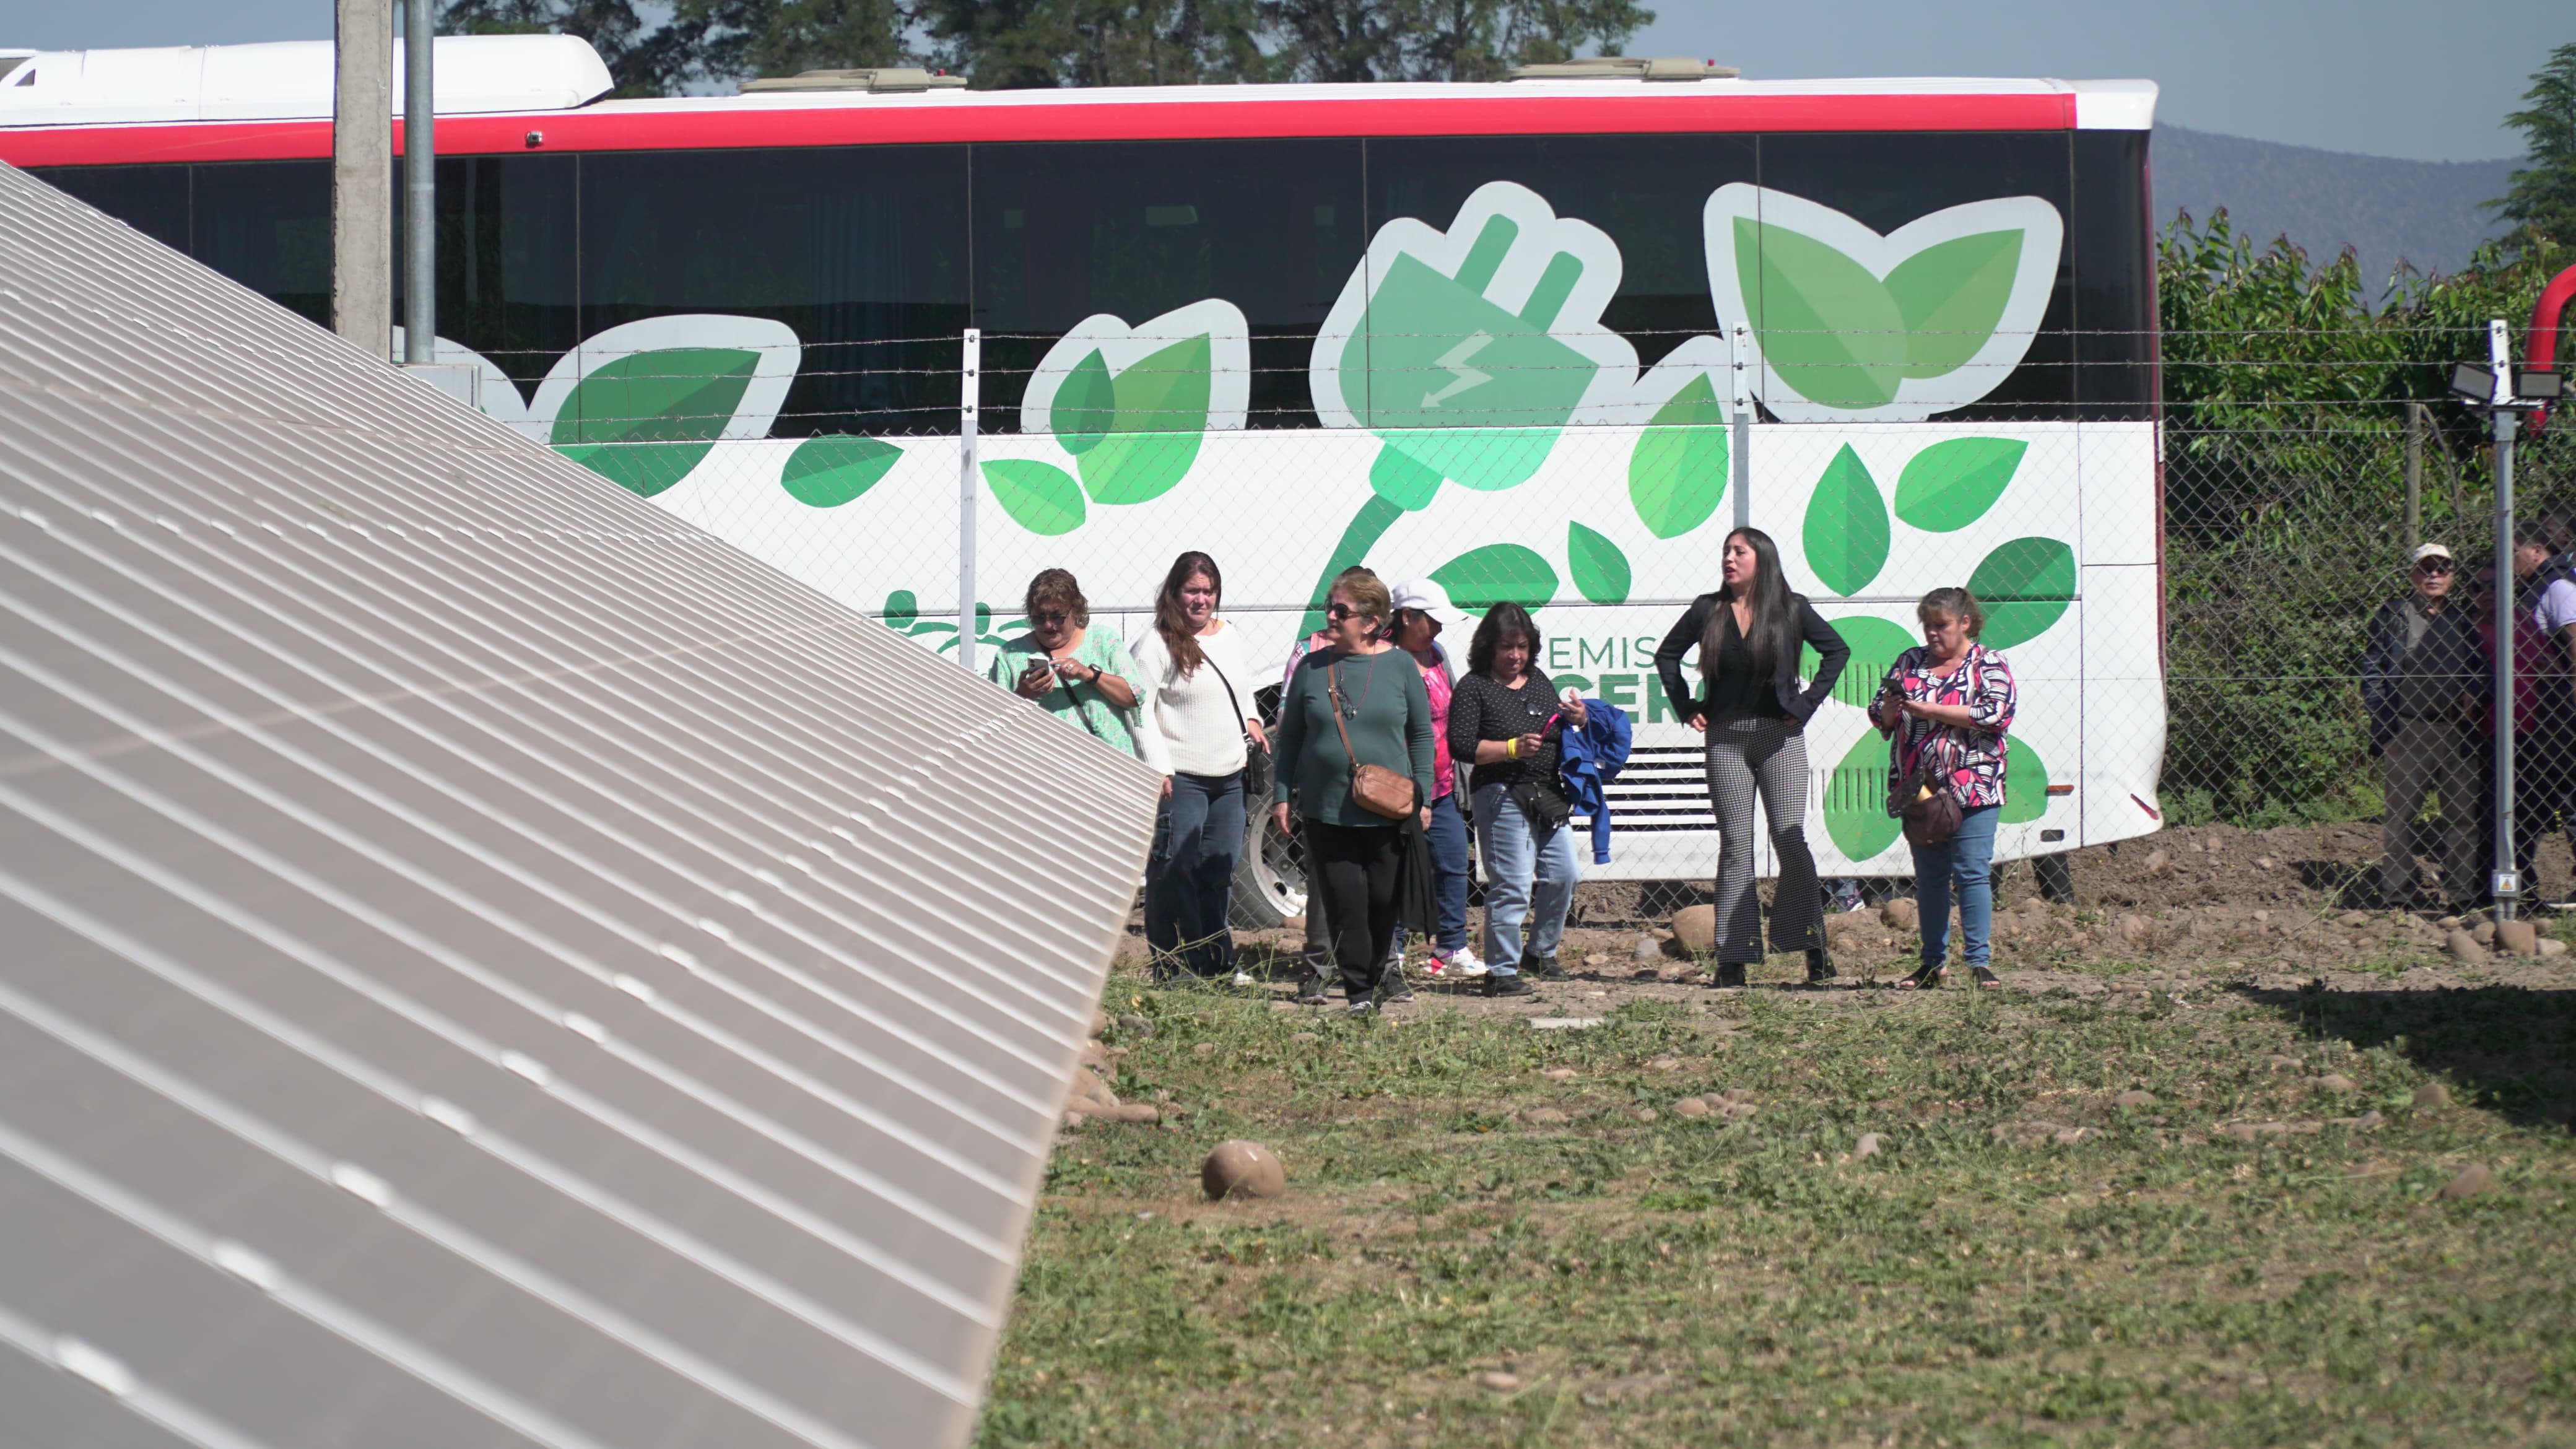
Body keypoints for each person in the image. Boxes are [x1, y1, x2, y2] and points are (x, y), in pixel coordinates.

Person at [1652, 528, 1849, 988]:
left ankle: (1814, 950)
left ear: (1762, 558)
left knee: (1789, 837)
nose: (1730, 558)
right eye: (1726, 551)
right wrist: (1686, 706)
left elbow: (1837, 651)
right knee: (1737, 845)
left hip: (1779, 739)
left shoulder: (1791, 608)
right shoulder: (1709, 609)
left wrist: (1803, 707)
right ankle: (1733, 959)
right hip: (1725, 741)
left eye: (1739, 552)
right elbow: (1667, 655)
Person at [1269, 572, 1435, 1016]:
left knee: (1383, 902)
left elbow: (1421, 735)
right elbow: (1290, 740)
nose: (1330, 616)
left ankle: (1379, 972)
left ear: (1371, 621)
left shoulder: (1401, 666)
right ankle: (1360, 995)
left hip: (1389, 809)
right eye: (1329, 607)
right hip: (1327, 810)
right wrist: (1282, 795)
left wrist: (1425, 797)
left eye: (1341, 611)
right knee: (1347, 905)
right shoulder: (1311, 668)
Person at [1869, 588, 2018, 990]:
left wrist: (1928, 711)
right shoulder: (1909, 662)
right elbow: (1879, 715)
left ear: (1965, 623)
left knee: (1971, 871)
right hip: (1920, 789)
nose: (1933, 634)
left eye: (1942, 626)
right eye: (1928, 626)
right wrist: (1890, 709)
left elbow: (1994, 714)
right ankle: (1932, 964)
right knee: (1931, 878)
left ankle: (1979, 962)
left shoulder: (1988, 664)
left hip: (1974, 784)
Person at [1133, 552, 1269, 985]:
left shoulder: (1227, 635)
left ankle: (1218, 962)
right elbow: (1140, 712)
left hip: (1229, 778)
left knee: (1219, 872)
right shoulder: (1154, 644)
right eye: (1192, 590)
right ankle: (1173, 967)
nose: (1201, 599)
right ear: (1174, 592)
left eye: (1208, 591)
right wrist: (1160, 769)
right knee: (1174, 873)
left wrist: (1252, 719)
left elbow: (1242, 688)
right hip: (1183, 778)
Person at [1450, 601, 1586, 996]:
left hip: (1546, 791)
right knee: (1511, 883)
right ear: (1490, 647)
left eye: (1523, 647)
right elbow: (1462, 744)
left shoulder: (1539, 681)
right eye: (1507, 647)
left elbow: (1557, 730)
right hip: (1501, 792)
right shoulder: (1474, 687)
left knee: (1564, 874)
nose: (1515, 656)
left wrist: (1578, 718)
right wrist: (1510, 747)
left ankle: (1540, 951)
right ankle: (1500, 971)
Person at [2359, 542, 2486, 910]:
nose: (2434, 574)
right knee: (2400, 818)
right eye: (2427, 567)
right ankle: (2397, 897)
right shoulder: (2393, 615)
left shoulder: (2463, 620)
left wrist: (2473, 695)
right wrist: (2384, 717)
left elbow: (2481, 669)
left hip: (2455, 731)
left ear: (2452, 575)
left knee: (2463, 816)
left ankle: (2462, 897)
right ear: (2413, 574)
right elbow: (2372, 669)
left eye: (2442, 567)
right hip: (2407, 729)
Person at [1388, 578, 1487, 980]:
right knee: (1394, 870)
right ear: (1407, 617)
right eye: (1432, 620)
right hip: (1396, 789)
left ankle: (1450, 947)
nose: (1440, 628)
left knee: (1450, 863)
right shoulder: (1384, 658)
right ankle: (1390, 951)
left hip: (1442, 785)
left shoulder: (1437, 654)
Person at [986, 568, 1142, 757]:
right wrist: (1023, 695)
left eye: (1057, 616)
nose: (1048, 625)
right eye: (1039, 617)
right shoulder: (1009, 655)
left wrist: (1090, 675)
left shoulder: (1104, 640)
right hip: (1045, 767)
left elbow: (1134, 697)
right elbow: (994, 721)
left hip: (1109, 763)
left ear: (1076, 611)